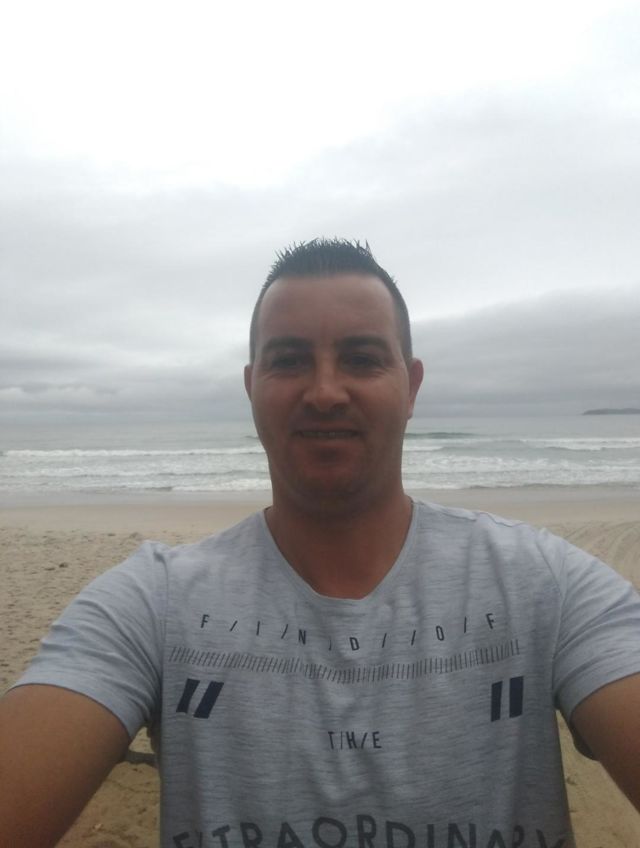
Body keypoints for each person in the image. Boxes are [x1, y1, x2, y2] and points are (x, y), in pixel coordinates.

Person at [1, 238, 639, 848]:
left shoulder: (544, 584)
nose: (326, 392)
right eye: (289, 360)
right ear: (252, 386)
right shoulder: (156, 602)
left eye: (361, 358)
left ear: (412, 387)